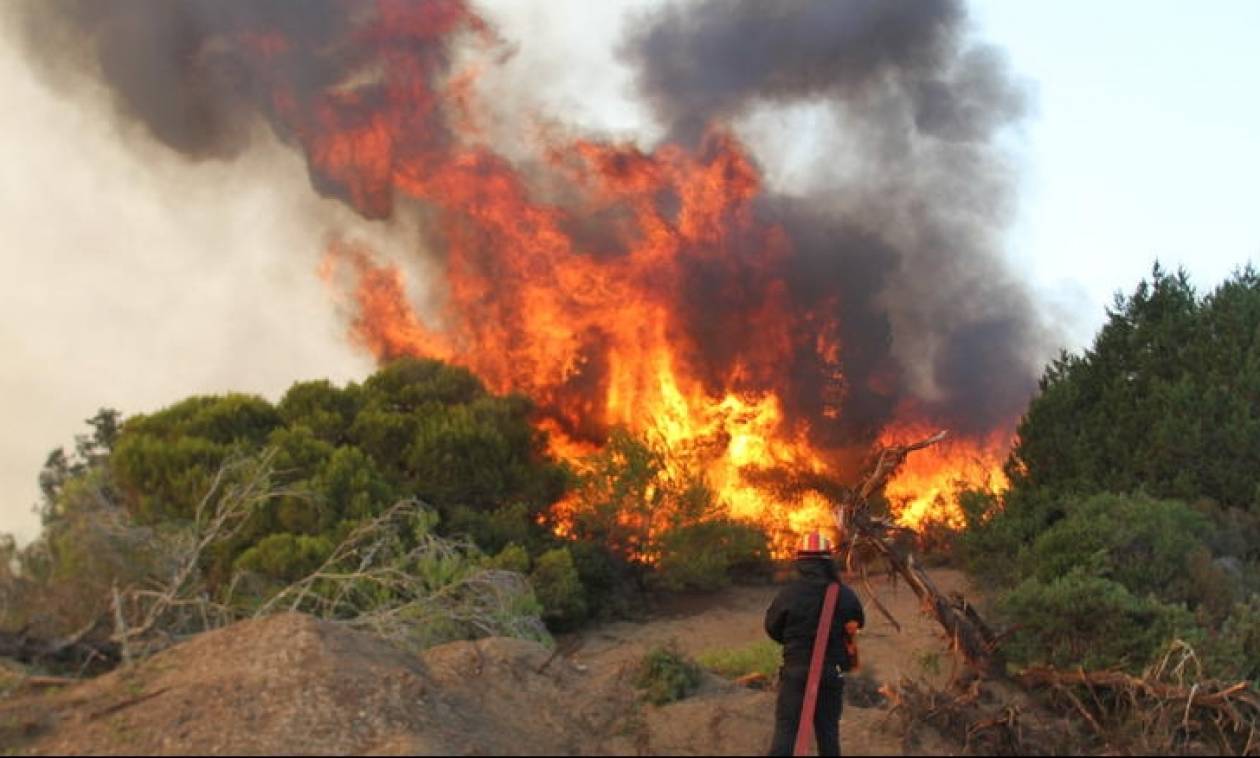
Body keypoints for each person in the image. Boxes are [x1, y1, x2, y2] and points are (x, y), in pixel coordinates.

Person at [764, 532, 865, 756]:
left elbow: (772, 627)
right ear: (828, 562)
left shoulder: (788, 594)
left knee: (786, 733)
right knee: (828, 736)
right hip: (830, 674)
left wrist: (793, 642)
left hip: (795, 672)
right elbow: (857, 623)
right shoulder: (844, 595)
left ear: (800, 561)